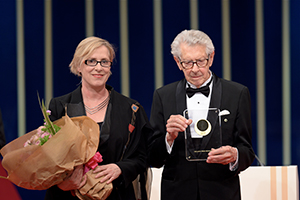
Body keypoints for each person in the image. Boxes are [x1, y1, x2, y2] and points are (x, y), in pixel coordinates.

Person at [147, 30, 255, 200]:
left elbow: (247, 151)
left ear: (211, 58)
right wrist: (169, 138)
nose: (195, 69)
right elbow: (153, 157)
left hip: (222, 192)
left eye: (200, 61)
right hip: (177, 193)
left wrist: (235, 155)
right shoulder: (163, 96)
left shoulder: (237, 93)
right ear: (177, 62)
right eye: (188, 63)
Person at [44, 36, 152, 200]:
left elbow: (143, 157)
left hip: (116, 194)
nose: (99, 67)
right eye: (91, 61)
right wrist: (61, 183)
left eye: (104, 62)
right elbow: (47, 158)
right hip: (68, 195)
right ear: (79, 65)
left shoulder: (131, 109)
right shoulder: (60, 106)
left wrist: (120, 168)